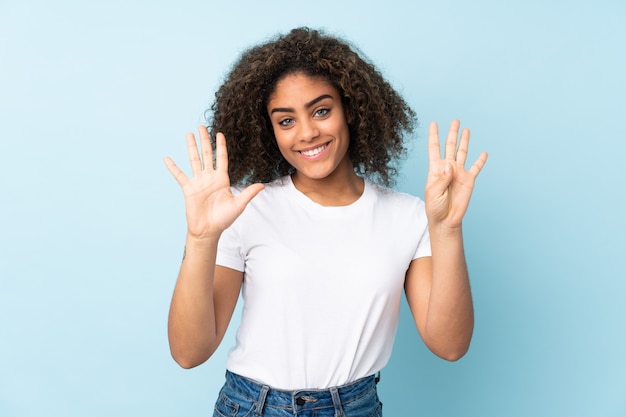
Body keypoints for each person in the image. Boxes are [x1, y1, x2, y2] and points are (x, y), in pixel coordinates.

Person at [164, 27, 487, 417]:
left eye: (321, 110)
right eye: (286, 121)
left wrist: (448, 230)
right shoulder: (246, 209)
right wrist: (201, 238)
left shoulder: (409, 216)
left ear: (349, 109)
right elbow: (188, 353)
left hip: (356, 407)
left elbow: (449, 345)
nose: (307, 133)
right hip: (253, 407)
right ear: (270, 131)